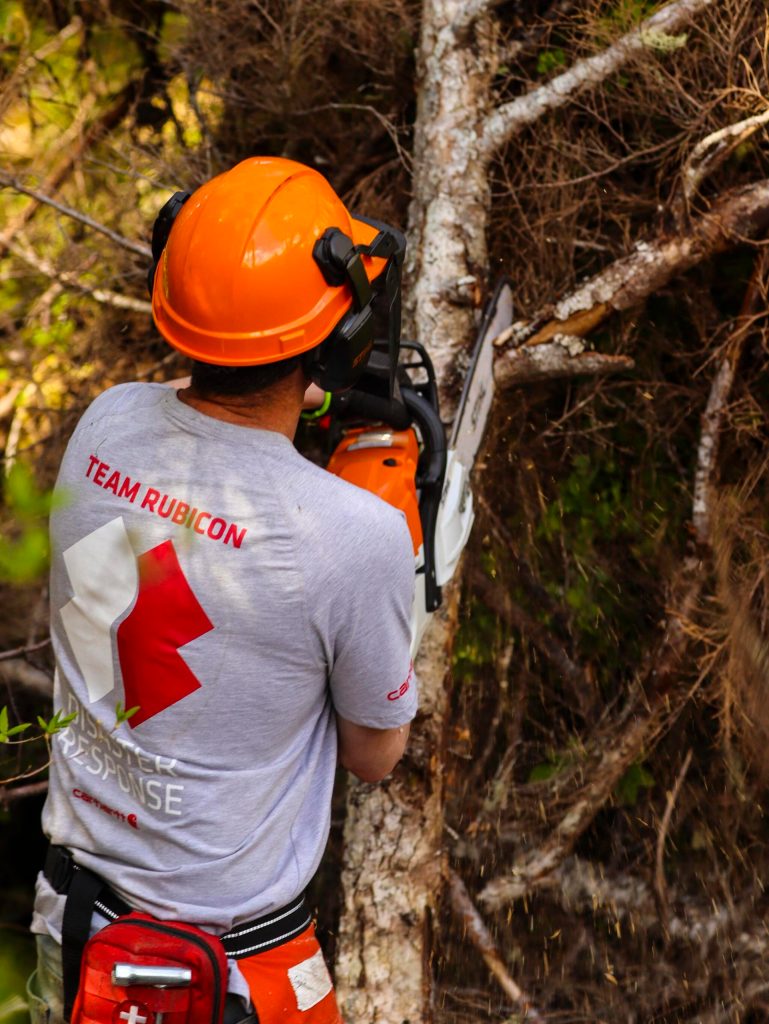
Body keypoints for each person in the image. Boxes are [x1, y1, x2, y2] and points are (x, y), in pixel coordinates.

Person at [28, 156, 418, 1024]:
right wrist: (374, 513)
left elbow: (199, 448)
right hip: (232, 974)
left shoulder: (105, 421)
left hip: (75, 927)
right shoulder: (356, 536)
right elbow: (374, 756)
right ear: (336, 333)